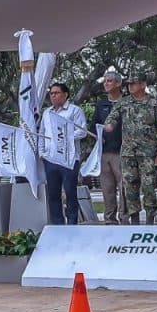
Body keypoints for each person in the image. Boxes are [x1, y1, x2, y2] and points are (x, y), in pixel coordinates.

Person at [111, 72, 157, 225]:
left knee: (148, 186)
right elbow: (112, 116)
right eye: (128, 84)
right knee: (130, 187)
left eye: (133, 83)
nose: (130, 87)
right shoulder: (124, 102)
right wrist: (110, 125)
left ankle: (149, 221)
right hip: (128, 154)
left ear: (143, 84)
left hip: (148, 154)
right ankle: (134, 220)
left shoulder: (154, 104)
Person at [40, 81, 94, 225]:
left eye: (56, 93)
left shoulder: (74, 110)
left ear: (65, 95)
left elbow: (82, 131)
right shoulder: (47, 112)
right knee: (53, 193)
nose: (53, 96)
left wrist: (64, 137)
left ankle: (72, 223)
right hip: (50, 159)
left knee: (70, 191)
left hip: (69, 159)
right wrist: (42, 152)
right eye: (51, 93)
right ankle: (58, 223)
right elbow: (42, 133)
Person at [91, 69, 126, 223]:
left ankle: (125, 217)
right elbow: (93, 127)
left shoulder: (127, 102)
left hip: (123, 152)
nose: (106, 84)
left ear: (118, 83)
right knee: (107, 188)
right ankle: (109, 219)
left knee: (124, 187)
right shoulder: (101, 105)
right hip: (104, 153)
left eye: (109, 81)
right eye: (105, 81)